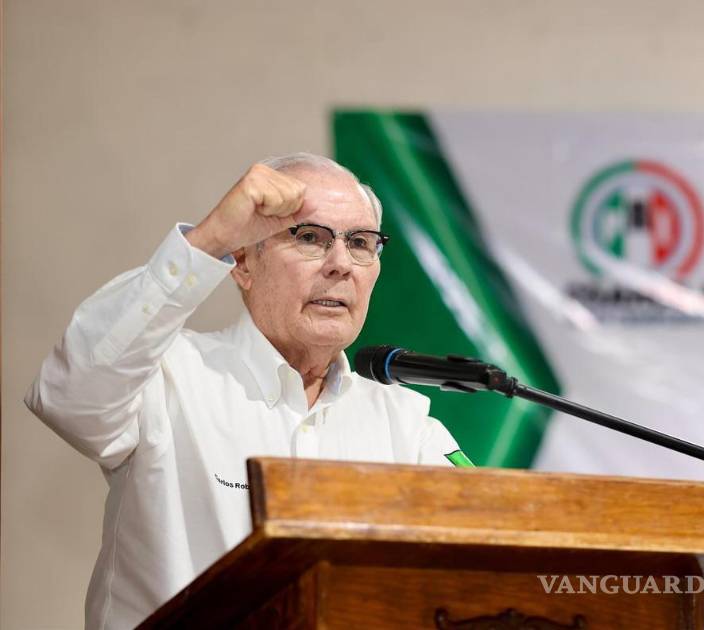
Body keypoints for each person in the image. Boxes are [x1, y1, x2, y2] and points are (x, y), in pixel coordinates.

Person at [25, 153, 464, 630]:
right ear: (242, 263)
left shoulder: (408, 427)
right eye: (310, 237)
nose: (341, 264)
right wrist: (211, 237)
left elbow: (486, 555)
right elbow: (68, 395)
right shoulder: (169, 374)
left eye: (360, 242)